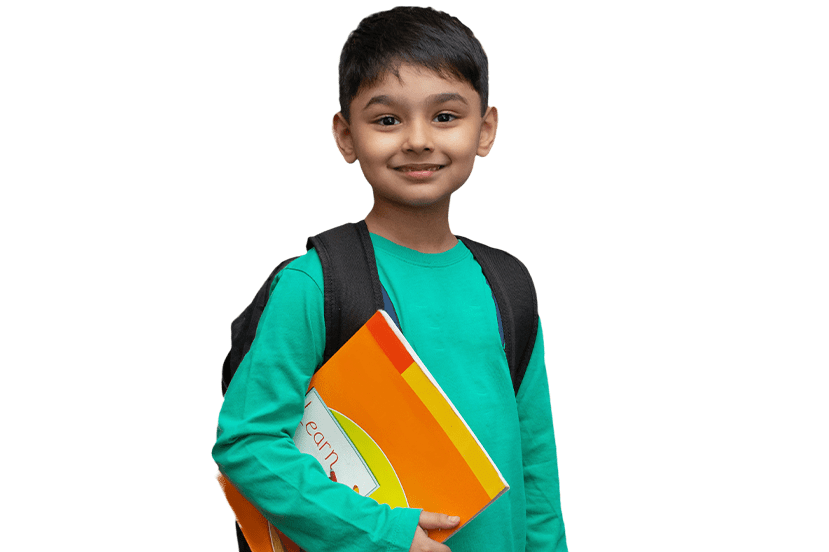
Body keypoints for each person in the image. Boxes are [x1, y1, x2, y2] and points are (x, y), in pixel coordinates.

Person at [213, 6, 568, 552]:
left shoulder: (510, 284)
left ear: (487, 129)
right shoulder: (317, 283)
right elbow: (247, 443)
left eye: (446, 116)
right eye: (387, 120)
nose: (418, 140)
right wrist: (384, 534)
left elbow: (536, 463)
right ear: (345, 135)